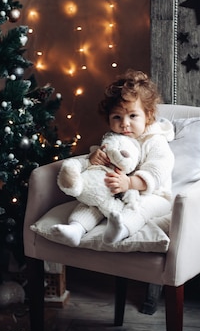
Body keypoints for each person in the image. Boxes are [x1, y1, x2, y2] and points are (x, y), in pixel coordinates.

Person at [52, 69, 175, 246]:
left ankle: (121, 229)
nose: (124, 123)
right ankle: (76, 229)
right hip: (115, 194)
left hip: (152, 195)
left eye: (133, 116)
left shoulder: (155, 141)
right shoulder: (114, 139)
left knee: (140, 208)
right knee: (93, 203)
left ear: (148, 115)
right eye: (117, 117)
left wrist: (130, 183)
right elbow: (102, 166)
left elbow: (158, 169)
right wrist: (94, 158)